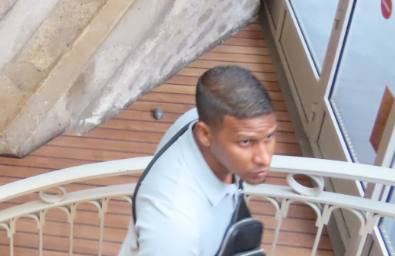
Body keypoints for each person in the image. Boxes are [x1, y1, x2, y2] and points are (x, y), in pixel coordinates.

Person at [119, 65, 278, 256]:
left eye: (269, 137)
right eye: (246, 141)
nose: (264, 158)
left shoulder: (202, 120)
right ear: (204, 134)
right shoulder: (173, 227)